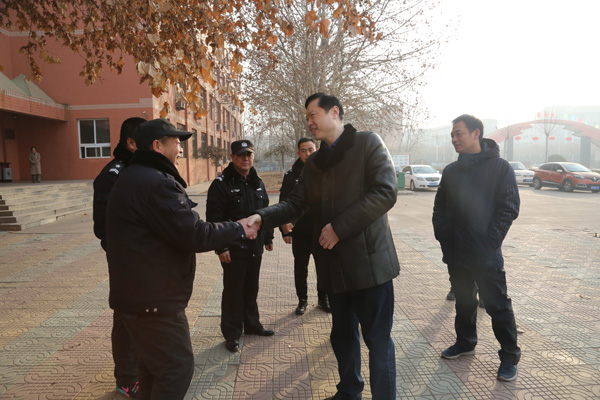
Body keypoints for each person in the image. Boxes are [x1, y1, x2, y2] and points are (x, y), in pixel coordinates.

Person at [248, 93, 399, 400]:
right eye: (306, 117)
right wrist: (262, 217)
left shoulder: (367, 144)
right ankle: (349, 392)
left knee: (377, 341)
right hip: (335, 268)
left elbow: (385, 192)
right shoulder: (315, 163)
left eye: (313, 114)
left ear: (334, 112)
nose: (309, 122)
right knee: (342, 336)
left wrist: (339, 228)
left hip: (370, 267)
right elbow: (296, 204)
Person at [106, 119, 259, 399]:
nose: (180, 149)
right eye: (176, 142)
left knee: (153, 369)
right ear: (157, 146)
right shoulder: (156, 183)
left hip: (138, 296)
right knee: (176, 369)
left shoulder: (135, 176)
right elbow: (193, 234)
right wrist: (238, 228)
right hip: (153, 301)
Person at [432, 114, 521, 382]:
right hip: (456, 251)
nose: (454, 139)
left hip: (485, 253)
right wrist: (443, 236)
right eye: (452, 134)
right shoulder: (451, 171)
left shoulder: (500, 168)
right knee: (464, 301)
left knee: (497, 305)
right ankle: (465, 341)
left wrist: (490, 241)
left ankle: (509, 355)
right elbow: (440, 207)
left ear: (476, 133)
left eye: (458, 133)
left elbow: (509, 208)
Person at [92, 116, 145, 398]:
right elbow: (102, 228)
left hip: (145, 258)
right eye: (149, 141)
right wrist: (125, 252)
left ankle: (141, 370)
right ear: (132, 143)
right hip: (125, 260)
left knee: (144, 314)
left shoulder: (139, 169)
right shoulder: (112, 176)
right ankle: (126, 378)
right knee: (126, 318)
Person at [206, 139, 275, 353]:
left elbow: (265, 212)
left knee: (251, 287)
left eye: (249, 155)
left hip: (255, 247)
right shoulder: (221, 184)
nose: (246, 158)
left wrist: (269, 237)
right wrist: (221, 247)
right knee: (234, 291)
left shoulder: (257, 182)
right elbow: (214, 219)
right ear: (232, 157)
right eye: (241, 155)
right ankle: (232, 333)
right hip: (234, 248)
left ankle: (252, 324)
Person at [278, 137, 330, 315]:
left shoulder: (324, 172)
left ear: (316, 150)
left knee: (322, 267)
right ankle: (302, 300)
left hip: (321, 230)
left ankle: (323, 298)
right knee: (300, 267)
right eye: (303, 151)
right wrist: (285, 232)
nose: (307, 154)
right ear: (298, 153)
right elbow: (284, 203)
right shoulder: (291, 176)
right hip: (299, 230)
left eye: (310, 150)